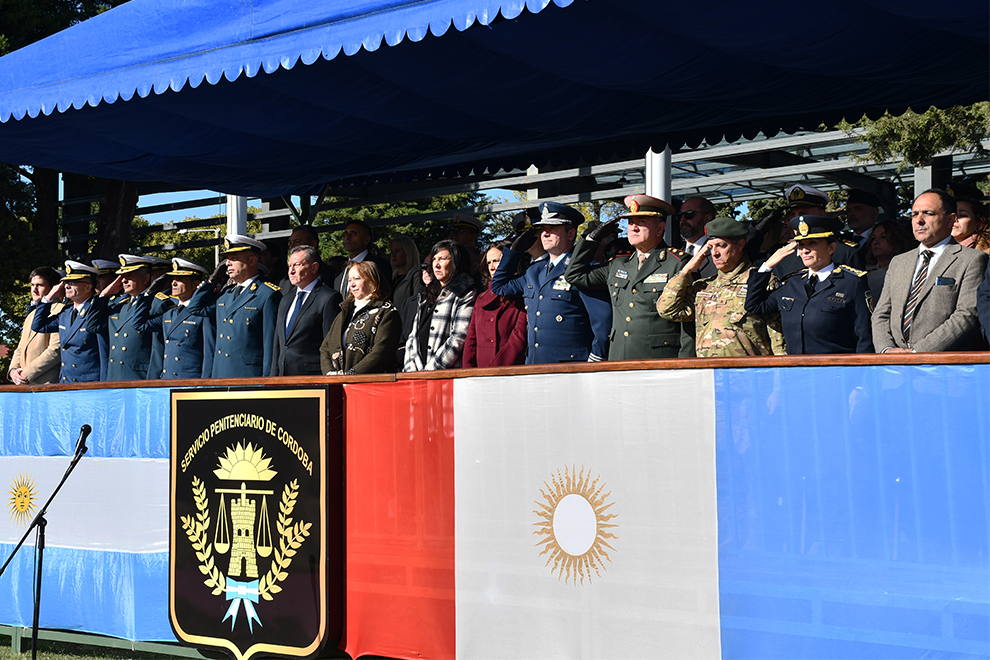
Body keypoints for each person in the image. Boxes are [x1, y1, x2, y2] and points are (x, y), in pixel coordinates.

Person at [564, 194, 693, 360]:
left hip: (660, 360)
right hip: (619, 358)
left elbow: (688, 322)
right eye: (631, 222)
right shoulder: (618, 264)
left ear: (660, 228)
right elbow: (574, 275)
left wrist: (686, 363)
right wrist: (592, 239)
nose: (633, 228)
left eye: (641, 222)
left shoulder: (678, 264)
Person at [491, 202, 611, 364]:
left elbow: (603, 320)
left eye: (553, 228)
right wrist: (514, 252)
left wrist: (595, 359)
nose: (545, 234)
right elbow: (499, 286)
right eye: (543, 229)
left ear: (571, 234)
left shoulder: (584, 270)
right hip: (536, 362)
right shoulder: (534, 271)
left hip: (571, 365)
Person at [872, 189, 989, 353]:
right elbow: (881, 314)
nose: (919, 220)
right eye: (914, 214)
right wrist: (887, 349)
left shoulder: (972, 259)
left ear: (951, 220)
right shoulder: (898, 262)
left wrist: (917, 353)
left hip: (942, 365)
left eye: (928, 213)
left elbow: (967, 314)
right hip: (894, 364)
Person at [745, 215, 873, 354]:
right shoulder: (792, 283)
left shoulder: (851, 283)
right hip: (797, 371)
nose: (805, 250)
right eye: (801, 245)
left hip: (836, 371)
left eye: (812, 243)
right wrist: (767, 265)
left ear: (831, 248)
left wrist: (861, 371)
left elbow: (864, 336)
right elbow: (754, 305)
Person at [657, 217, 779, 357]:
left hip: (749, 373)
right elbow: (666, 309)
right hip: (709, 373)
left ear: (739, 245)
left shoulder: (761, 282)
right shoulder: (703, 287)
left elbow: (777, 337)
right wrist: (687, 270)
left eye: (721, 245)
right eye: (710, 247)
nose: (714, 253)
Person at [186, 233, 282, 377]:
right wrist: (212, 279)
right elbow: (195, 308)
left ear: (252, 261)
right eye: (227, 259)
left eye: (234, 259)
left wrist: (267, 381)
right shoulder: (227, 294)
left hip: (248, 376)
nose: (227, 263)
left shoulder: (267, 293)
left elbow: (270, 345)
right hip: (221, 374)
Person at [88, 254, 175, 380]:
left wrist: (153, 382)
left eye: (129, 276)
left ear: (145, 278)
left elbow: (158, 349)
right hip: (114, 378)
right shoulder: (120, 305)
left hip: (138, 378)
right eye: (122, 277)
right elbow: (92, 325)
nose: (123, 280)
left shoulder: (158, 304)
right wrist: (104, 295)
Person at [135, 258, 217, 379]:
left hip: (190, 382)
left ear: (195, 285)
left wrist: (205, 384)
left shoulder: (203, 314)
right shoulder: (169, 313)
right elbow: (139, 324)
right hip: (167, 380)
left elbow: (209, 354)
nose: (173, 283)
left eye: (180, 280)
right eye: (173, 279)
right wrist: (149, 294)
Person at [403, 240, 477, 371]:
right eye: (434, 259)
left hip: (445, 377)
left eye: (442, 259)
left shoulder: (465, 292)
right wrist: (410, 372)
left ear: (455, 262)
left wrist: (430, 373)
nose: (436, 265)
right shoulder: (425, 296)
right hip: (417, 378)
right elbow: (412, 339)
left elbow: (459, 338)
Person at [320, 261, 402, 375]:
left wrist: (351, 376)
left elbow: (381, 353)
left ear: (372, 281)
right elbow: (325, 348)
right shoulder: (345, 312)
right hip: (338, 385)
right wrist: (330, 374)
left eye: (357, 278)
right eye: (349, 280)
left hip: (369, 386)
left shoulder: (387, 312)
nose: (352, 284)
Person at [32, 261, 108, 383]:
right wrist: (47, 299)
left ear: (88, 287)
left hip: (90, 382)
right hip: (66, 381)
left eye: (72, 283)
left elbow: (104, 353)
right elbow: (39, 326)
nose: (66, 286)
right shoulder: (66, 312)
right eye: (66, 283)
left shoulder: (96, 312)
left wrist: (104, 384)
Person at [271, 246, 342, 376]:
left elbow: (331, 343)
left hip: (312, 377)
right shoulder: (286, 299)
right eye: (289, 265)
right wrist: (272, 378)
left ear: (314, 267)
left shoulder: (328, 298)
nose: (291, 271)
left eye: (297, 265)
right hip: (282, 377)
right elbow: (278, 344)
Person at [462, 241, 528, 368]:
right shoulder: (481, 299)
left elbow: (519, 339)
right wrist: (468, 372)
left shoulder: (521, 296)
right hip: (479, 374)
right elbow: (471, 339)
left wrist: (494, 371)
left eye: (496, 261)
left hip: (509, 372)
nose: (491, 267)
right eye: (488, 262)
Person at [8, 267, 63, 385]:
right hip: (24, 384)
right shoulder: (32, 315)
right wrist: (12, 371)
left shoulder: (60, 311)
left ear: (54, 288)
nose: (34, 290)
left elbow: (55, 350)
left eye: (39, 285)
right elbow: (20, 348)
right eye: (32, 285)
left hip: (46, 384)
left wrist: (26, 373)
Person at [332, 220, 392, 297]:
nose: (347, 237)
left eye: (353, 233)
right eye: (346, 233)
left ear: (367, 239)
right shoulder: (340, 270)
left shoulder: (379, 266)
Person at [864, 219, 915, 303]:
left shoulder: (908, 270)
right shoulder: (865, 273)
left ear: (896, 240)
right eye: (873, 238)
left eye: (883, 237)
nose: (876, 242)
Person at [280, 225, 337, 290]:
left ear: (313, 244)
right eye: (290, 243)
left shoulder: (331, 276)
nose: (292, 246)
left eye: (297, 242)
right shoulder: (285, 281)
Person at [675, 197, 718, 278]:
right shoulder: (675, 253)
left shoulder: (718, 253)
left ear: (707, 218)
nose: (683, 219)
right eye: (680, 215)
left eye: (689, 214)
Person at [842, 188, 883, 265]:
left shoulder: (885, 242)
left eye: (857, 209)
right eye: (848, 210)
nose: (851, 214)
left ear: (874, 212)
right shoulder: (841, 242)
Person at [947, 182, 990, 254]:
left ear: (979, 223)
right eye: (949, 215)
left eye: (962, 215)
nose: (954, 219)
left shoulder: (986, 255)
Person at [389, 234, 425, 310]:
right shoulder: (391, 278)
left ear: (408, 253)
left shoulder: (416, 276)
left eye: (397, 251)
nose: (393, 255)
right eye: (392, 252)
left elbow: (418, 305)